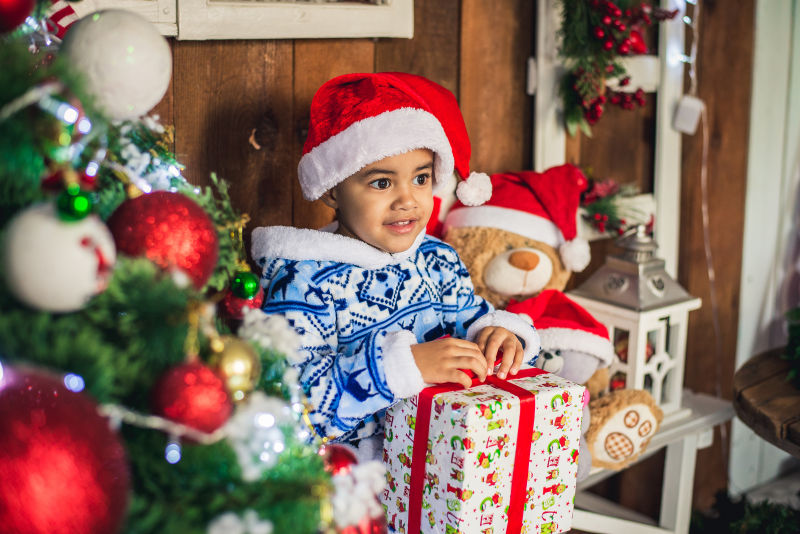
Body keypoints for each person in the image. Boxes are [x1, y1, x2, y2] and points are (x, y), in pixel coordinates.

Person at [252, 72, 540, 455]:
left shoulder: (437, 260)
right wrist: (401, 368)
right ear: (334, 189)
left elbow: (474, 321)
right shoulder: (304, 281)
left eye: (420, 178)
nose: (408, 200)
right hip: (354, 483)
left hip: (445, 462)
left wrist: (499, 334)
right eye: (382, 183)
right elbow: (294, 411)